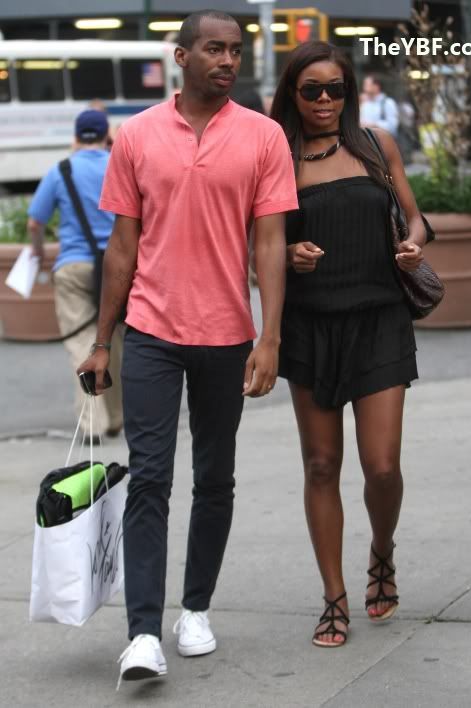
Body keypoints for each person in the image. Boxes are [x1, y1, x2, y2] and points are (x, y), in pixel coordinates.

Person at [77, 10, 297, 686]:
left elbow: (270, 243)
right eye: (213, 49)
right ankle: (143, 632)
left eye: (235, 50)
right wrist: (102, 342)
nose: (227, 60)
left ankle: (195, 609)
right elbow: (122, 247)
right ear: (182, 56)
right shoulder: (138, 134)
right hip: (151, 330)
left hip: (227, 334)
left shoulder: (263, 135)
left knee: (215, 477)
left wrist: (269, 336)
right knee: (150, 476)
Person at [271, 41, 427, 647]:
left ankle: (381, 550)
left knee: (382, 466)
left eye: (335, 88)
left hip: (380, 319)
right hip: (310, 325)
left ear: (349, 92)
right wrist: (288, 253)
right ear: (293, 94)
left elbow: (414, 217)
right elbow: (259, 243)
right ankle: (333, 597)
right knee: (320, 464)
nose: (325, 100)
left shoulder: (375, 145)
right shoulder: (278, 157)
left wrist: (412, 245)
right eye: (312, 90)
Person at [28, 109, 123, 442]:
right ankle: (116, 418)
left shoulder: (61, 170)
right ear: (106, 136)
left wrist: (38, 252)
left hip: (73, 267)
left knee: (81, 344)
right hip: (117, 268)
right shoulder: (118, 165)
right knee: (114, 343)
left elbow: (35, 223)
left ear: (75, 137)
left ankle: (92, 425)